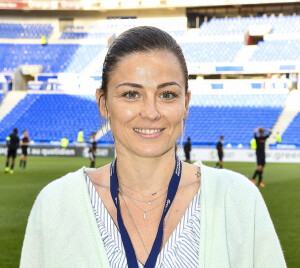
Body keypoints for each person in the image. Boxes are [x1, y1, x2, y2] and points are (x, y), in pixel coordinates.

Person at [21, 26, 286, 268]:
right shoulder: (56, 204)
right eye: (131, 94)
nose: (150, 112)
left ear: (186, 104)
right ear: (103, 103)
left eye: (167, 94)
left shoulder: (238, 200)